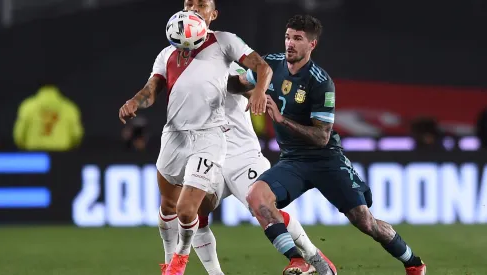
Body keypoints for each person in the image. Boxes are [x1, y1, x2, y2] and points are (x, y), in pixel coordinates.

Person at [237, 14, 427, 275]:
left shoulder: (320, 81)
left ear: (311, 45)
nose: (289, 43)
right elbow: (238, 83)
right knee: (256, 197)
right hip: (292, 161)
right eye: (287, 37)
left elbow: (321, 136)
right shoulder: (270, 64)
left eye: (297, 39)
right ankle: (297, 260)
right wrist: (218, 83)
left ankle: (414, 263)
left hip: (325, 160)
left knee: (365, 222)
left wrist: (282, 119)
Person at [118, 0, 270, 274]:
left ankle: (179, 262)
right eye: (189, 3)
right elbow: (151, 91)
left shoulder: (224, 42)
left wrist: (257, 90)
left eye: (201, 4)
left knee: (188, 210)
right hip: (174, 137)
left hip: (210, 136)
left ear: (213, 14)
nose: (193, 8)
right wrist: (134, 101)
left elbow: (260, 68)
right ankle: (169, 260)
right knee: (168, 206)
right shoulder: (166, 55)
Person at [157, 62, 336, 275]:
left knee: (265, 209)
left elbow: (249, 86)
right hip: (211, 157)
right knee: (193, 209)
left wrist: (258, 92)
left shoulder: (226, 64)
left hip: (243, 157)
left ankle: (311, 254)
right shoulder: (180, 76)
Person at [13, 84, 83, 151]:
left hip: (36, 156)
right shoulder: (69, 107)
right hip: (62, 156)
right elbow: (77, 135)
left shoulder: (28, 106)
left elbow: (19, 136)